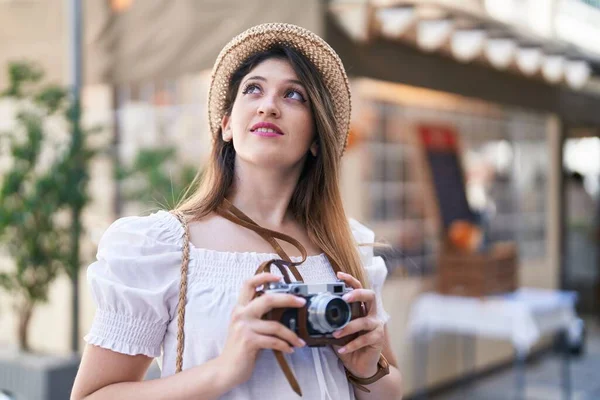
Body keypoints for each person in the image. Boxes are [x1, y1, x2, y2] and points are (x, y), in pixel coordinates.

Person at [71, 23, 403, 400]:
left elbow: (389, 391)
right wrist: (224, 370)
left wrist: (365, 369)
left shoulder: (348, 246)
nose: (268, 106)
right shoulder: (163, 247)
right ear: (227, 125)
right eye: (253, 89)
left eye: (294, 95)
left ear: (316, 138)